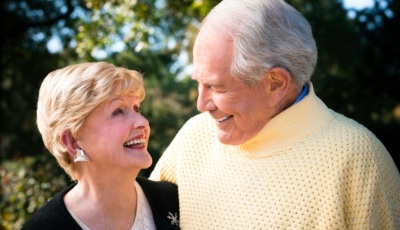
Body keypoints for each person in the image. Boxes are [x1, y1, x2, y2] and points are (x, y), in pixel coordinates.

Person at [149, 0, 400, 229]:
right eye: (198, 83)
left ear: (276, 84)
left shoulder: (359, 159)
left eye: (216, 87)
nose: (201, 104)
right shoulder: (193, 137)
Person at [22, 62, 180, 230]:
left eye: (136, 109)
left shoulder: (174, 200)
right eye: (118, 111)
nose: (143, 122)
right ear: (72, 141)